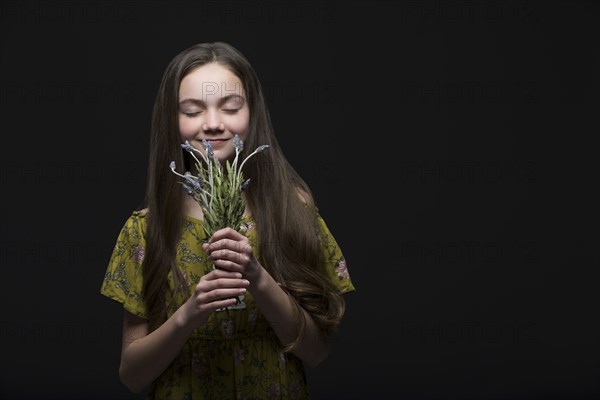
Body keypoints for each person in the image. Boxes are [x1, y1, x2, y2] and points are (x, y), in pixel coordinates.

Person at [100, 41, 355, 399]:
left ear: (253, 113)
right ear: (171, 121)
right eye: (192, 110)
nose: (214, 123)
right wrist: (190, 314)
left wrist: (257, 276)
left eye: (231, 107)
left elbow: (316, 352)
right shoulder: (145, 230)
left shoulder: (292, 211)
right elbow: (132, 375)